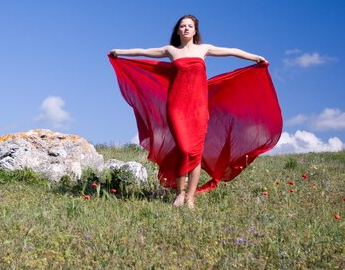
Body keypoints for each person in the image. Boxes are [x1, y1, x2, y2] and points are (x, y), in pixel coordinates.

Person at [109, 14, 267, 208]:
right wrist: (120, 52)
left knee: (196, 153)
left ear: (194, 30)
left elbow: (231, 51)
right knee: (184, 149)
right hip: (177, 108)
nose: (185, 29)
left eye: (189, 26)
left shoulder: (204, 49)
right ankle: (179, 193)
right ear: (177, 30)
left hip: (199, 108)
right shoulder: (171, 51)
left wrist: (255, 57)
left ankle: (189, 198)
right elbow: (144, 51)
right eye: (182, 26)